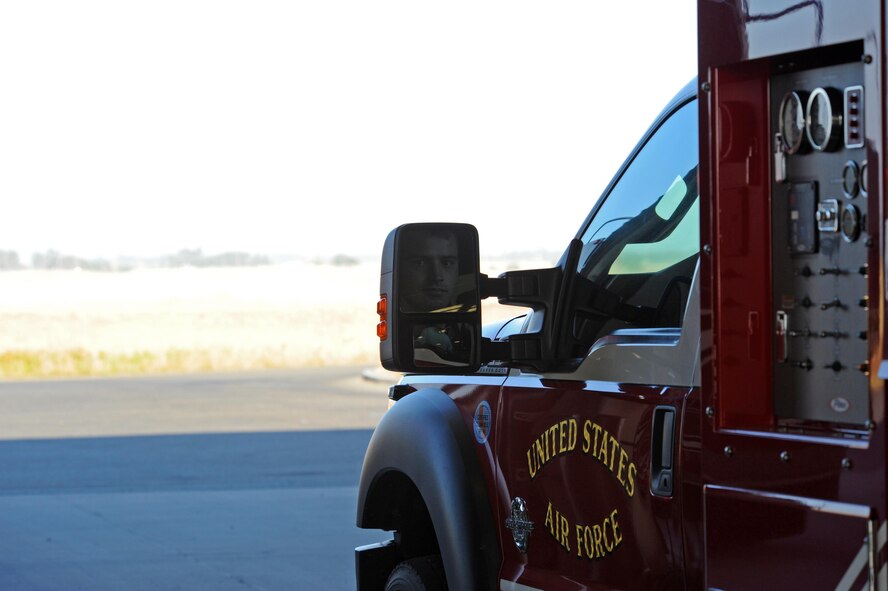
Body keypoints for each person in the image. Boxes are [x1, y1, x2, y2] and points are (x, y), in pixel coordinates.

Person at [399, 227, 461, 313]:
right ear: (398, 269)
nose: (437, 276)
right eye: (420, 263)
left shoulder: (464, 325)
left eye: (447, 263)